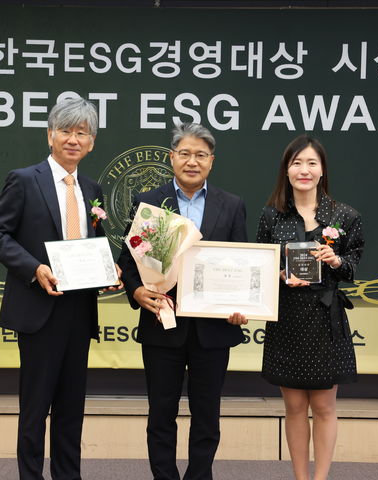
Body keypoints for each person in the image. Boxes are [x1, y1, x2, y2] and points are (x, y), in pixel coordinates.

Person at [0, 97, 120, 480]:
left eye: (82, 133)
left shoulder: (91, 188)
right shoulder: (25, 180)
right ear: (50, 136)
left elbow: (91, 244)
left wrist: (107, 270)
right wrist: (34, 268)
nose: (73, 139)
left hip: (79, 311)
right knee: (35, 408)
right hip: (39, 309)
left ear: (91, 142)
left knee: (71, 408)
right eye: (65, 131)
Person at [117, 122, 248, 480]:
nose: (193, 161)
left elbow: (242, 264)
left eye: (201, 155)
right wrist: (136, 290)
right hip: (162, 324)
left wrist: (242, 305)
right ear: (172, 157)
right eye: (186, 154)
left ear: (211, 161)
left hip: (213, 330)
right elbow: (128, 259)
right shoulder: (148, 202)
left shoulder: (232, 205)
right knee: (161, 413)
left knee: (207, 415)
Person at [256, 134, 364, 480]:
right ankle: (301, 477)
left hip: (324, 319)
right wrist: (279, 274)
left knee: (324, 406)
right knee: (294, 406)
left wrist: (336, 260)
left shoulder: (344, 216)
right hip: (287, 318)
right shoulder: (272, 216)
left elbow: (353, 265)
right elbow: (262, 266)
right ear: (286, 170)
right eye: (297, 163)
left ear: (322, 170)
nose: (304, 170)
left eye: (311, 163)